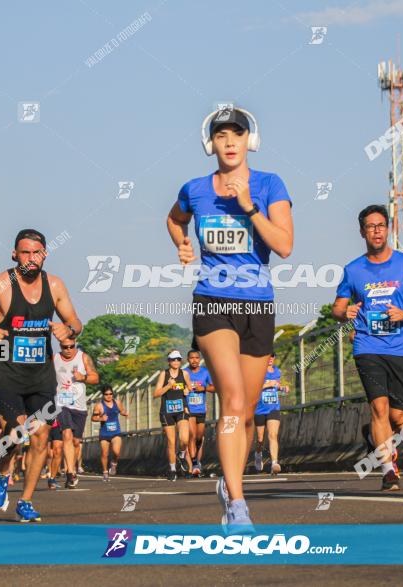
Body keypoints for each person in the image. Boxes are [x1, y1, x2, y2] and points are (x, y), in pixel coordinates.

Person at [166, 105, 293, 531]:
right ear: (211, 144)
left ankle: (229, 481)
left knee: (250, 408)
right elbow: (173, 218)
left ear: (249, 140)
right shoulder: (196, 189)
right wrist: (182, 243)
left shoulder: (270, 185)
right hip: (213, 301)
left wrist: (248, 207)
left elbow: (285, 246)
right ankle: (238, 503)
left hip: (257, 305)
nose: (230, 142)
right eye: (221, 135)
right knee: (234, 401)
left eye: (237, 134)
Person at [0, 228, 83, 522]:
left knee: (41, 434)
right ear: (14, 254)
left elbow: (75, 323)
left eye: (36, 253)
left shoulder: (55, 285)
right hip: (8, 374)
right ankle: (4, 472)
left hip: (40, 374)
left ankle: (26, 501)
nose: (31, 259)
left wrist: (66, 329)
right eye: (25, 253)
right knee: (17, 432)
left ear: (44, 254)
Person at [334, 204, 403, 491]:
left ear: (388, 229)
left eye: (380, 225)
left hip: (401, 347)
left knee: (398, 417)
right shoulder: (353, 270)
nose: (376, 231)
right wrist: (346, 312)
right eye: (370, 226)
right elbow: (338, 307)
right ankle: (388, 469)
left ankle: (373, 438)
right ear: (362, 231)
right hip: (367, 345)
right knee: (378, 407)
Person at [53, 339, 98, 489]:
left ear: (75, 345)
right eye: (65, 347)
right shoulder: (55, 359)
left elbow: (95, 378)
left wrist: (83, 377)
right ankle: (70, 472)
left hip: (79, 407)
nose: (68, 349)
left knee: (76, 442)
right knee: (66, 434)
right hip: (62, 404)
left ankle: (71, 469)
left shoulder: (83, 357)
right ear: (60, 346)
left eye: (71, 346)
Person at [153, 350, 193, 481]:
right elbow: (156, 393)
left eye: (178, 359)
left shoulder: (184, 373)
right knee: (171, 442)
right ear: (169, 361)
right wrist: (168, 386)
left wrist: (188, 390)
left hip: (181, 410)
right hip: (167, 412)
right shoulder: (163, 374)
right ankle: (172, 469)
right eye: (173, 359)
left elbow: (190, 388)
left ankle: (181, 456)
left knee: (184, 439)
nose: (176, 362)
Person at [252, 354, 289, 476]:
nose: (270, 358)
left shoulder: (277, 371)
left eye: (273, 356)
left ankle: (274, 463)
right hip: (259, 409)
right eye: (268, 356)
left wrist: (283, 388)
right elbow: (253, 388)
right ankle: (258, 454)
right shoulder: (257, 371)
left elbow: (276, 386)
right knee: (260, 439)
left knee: (273, 435)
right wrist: (268, 384)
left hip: (273, 408)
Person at [185, 349, 215, 477]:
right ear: (188, 359)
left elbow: (215, 387)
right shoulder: (184, 372)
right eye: (192, 358)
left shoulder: (205, 372)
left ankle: (196, 460)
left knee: (199, 438)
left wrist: (204, 388)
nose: (194, 360)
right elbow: (176, 387)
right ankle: (195, 464)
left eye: (197, 358)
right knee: (191, 436)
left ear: (200, 359)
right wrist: (185, 389)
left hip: (201, 410)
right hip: (189, 409)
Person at [92, 385, 127, 481]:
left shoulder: (117, 402)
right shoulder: (99, 406)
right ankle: (105, 472)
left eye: (111, 394)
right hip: (104, 434)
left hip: (116, 432)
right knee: (104, 453)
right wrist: (100, 418)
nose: (109, 396)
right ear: (103, 395)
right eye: (106, 394)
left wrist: (124, 413)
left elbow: (121, 410)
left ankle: (114, 463)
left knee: (116, 452)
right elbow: (93, 418)